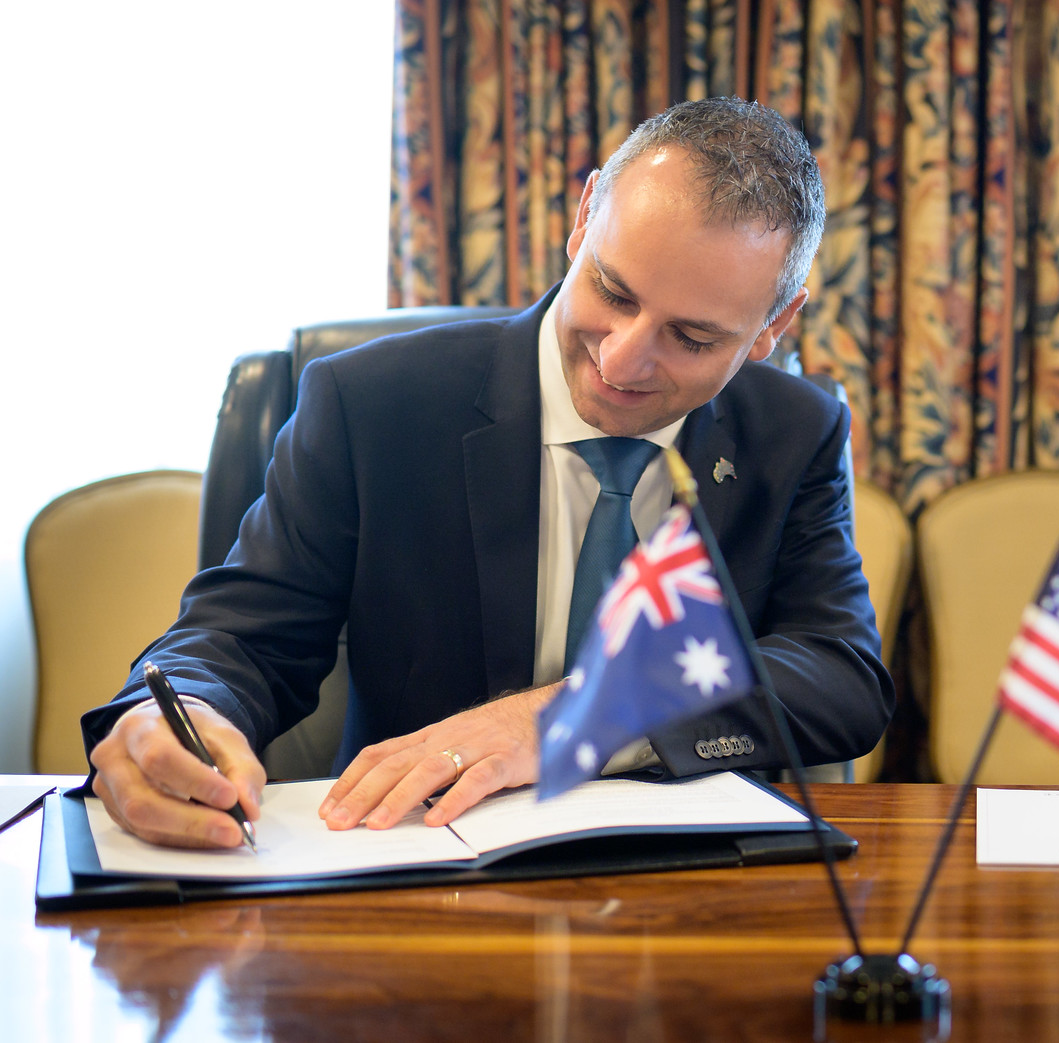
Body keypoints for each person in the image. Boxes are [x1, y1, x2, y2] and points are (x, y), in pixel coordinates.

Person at [84, 98, 893, 849]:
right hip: (412, 870)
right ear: (583, 221)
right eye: (611, 290)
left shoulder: (796, 431)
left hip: (674, 894)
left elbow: (839, 674)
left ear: (772, 327)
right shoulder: (371, 402)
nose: (620, 359)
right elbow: (239, 637)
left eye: (691, 337)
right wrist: (181, 713)